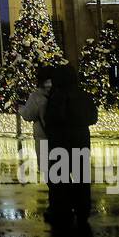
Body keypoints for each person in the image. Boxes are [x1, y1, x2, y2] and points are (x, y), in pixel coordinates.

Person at [41, 63, 97, 225]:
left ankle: (61, 210)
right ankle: (82, 208)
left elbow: (52, 119)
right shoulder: (84, 95)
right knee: (81, 177)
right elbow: (93, 117)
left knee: (60, 179)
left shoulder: (57, 96)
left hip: (61, 140)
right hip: (81, 139)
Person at [17, 65, 53, 176]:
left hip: (44, 137)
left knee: (48, 172)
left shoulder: (37, 96)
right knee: (64, 172)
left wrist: (20, 108)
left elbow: (28, 115)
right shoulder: (60, 92)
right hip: (61, 137)